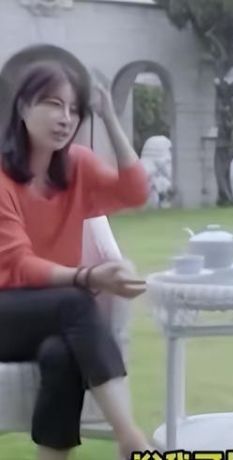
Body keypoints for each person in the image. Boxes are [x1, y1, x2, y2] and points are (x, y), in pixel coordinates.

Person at [0, 55, 152, 459]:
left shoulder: (77, 167)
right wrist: (90, 276)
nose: (65, 118)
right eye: (53, 104)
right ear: (23, 107)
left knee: (61, 353)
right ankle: (130, 439)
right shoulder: (1, 178)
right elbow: (18, 265)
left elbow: (135, 192)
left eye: (73, 109)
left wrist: (110, 120)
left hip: (48, 315)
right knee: (76, 301)